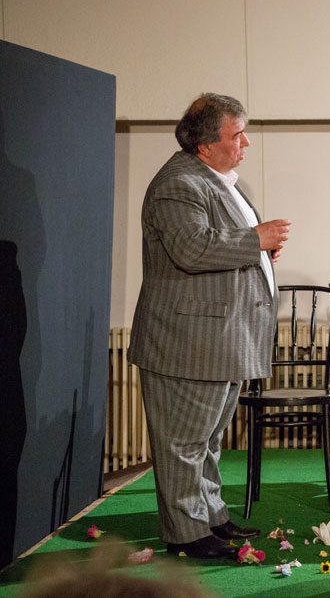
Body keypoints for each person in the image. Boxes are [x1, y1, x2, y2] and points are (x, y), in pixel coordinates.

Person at [128, 93, 290, 559]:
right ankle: (187, 533)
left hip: (219, 338)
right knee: (183, 443)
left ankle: (211, 518)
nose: (246, 143)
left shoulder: (215, 180)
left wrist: (259, 248)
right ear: (204, 145)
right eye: (236, 134)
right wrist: (255, 239)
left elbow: (223, 241)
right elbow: (191, 248)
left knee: (207, 441)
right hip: (186, 341)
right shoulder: (177, 184)